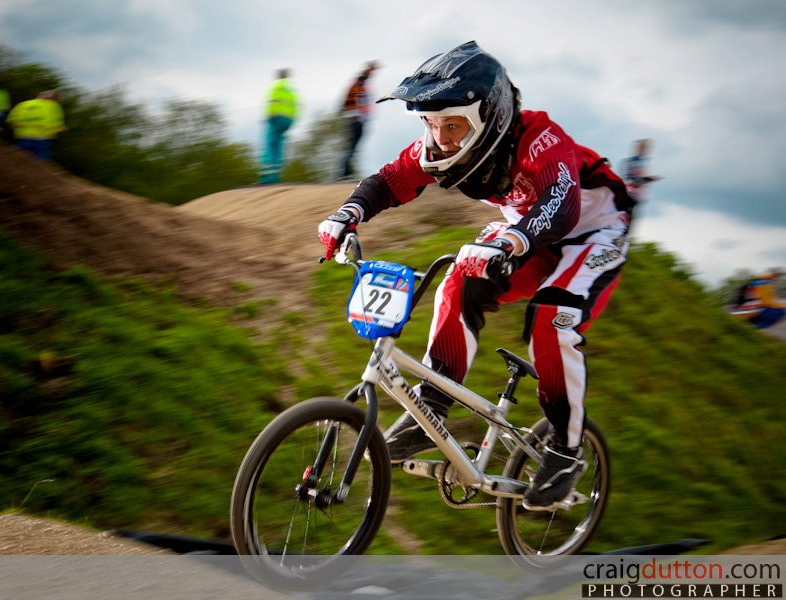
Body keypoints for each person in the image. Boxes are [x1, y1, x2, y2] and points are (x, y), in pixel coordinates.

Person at [317, 41, 635, 511]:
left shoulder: (541, 139)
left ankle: (565, 452)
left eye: (453, 125)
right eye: (431, 124)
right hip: (529, 231)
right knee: (458, 280)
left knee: (552, 319)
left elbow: (560, 203)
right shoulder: (437, 146)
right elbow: (388, 181)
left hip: (592, 232)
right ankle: (431, 410)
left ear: (491, 117)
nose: (441, 137)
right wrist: (347, 213)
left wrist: (512, 240)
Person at [339, 60, 379, 179]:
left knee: (353, 147)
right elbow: (356, 102)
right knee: (352, 147)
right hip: (357, 120)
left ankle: (347, 172)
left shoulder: (359, 85)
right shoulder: (359, 85)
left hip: (358, 119)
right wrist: (357, 116)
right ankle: (345, 173)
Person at [259, 68, 298, 184]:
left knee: (270, 146)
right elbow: (296, 109)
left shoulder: (276, 87)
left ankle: (268, 178)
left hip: (275, 118)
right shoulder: (291, 92)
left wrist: (269, 118)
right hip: (287, 121)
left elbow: (272, 105)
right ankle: (276, 176)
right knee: (279, 147)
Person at [6, 89, 66, 160]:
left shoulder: (23, 104)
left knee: (19, 161)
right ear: (52, 98)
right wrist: (61, 128)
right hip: (43, 141)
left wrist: (19, 130)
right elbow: (57, 124)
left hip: (24, 139)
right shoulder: (53, 106)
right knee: (41, 165)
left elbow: (10, 121)